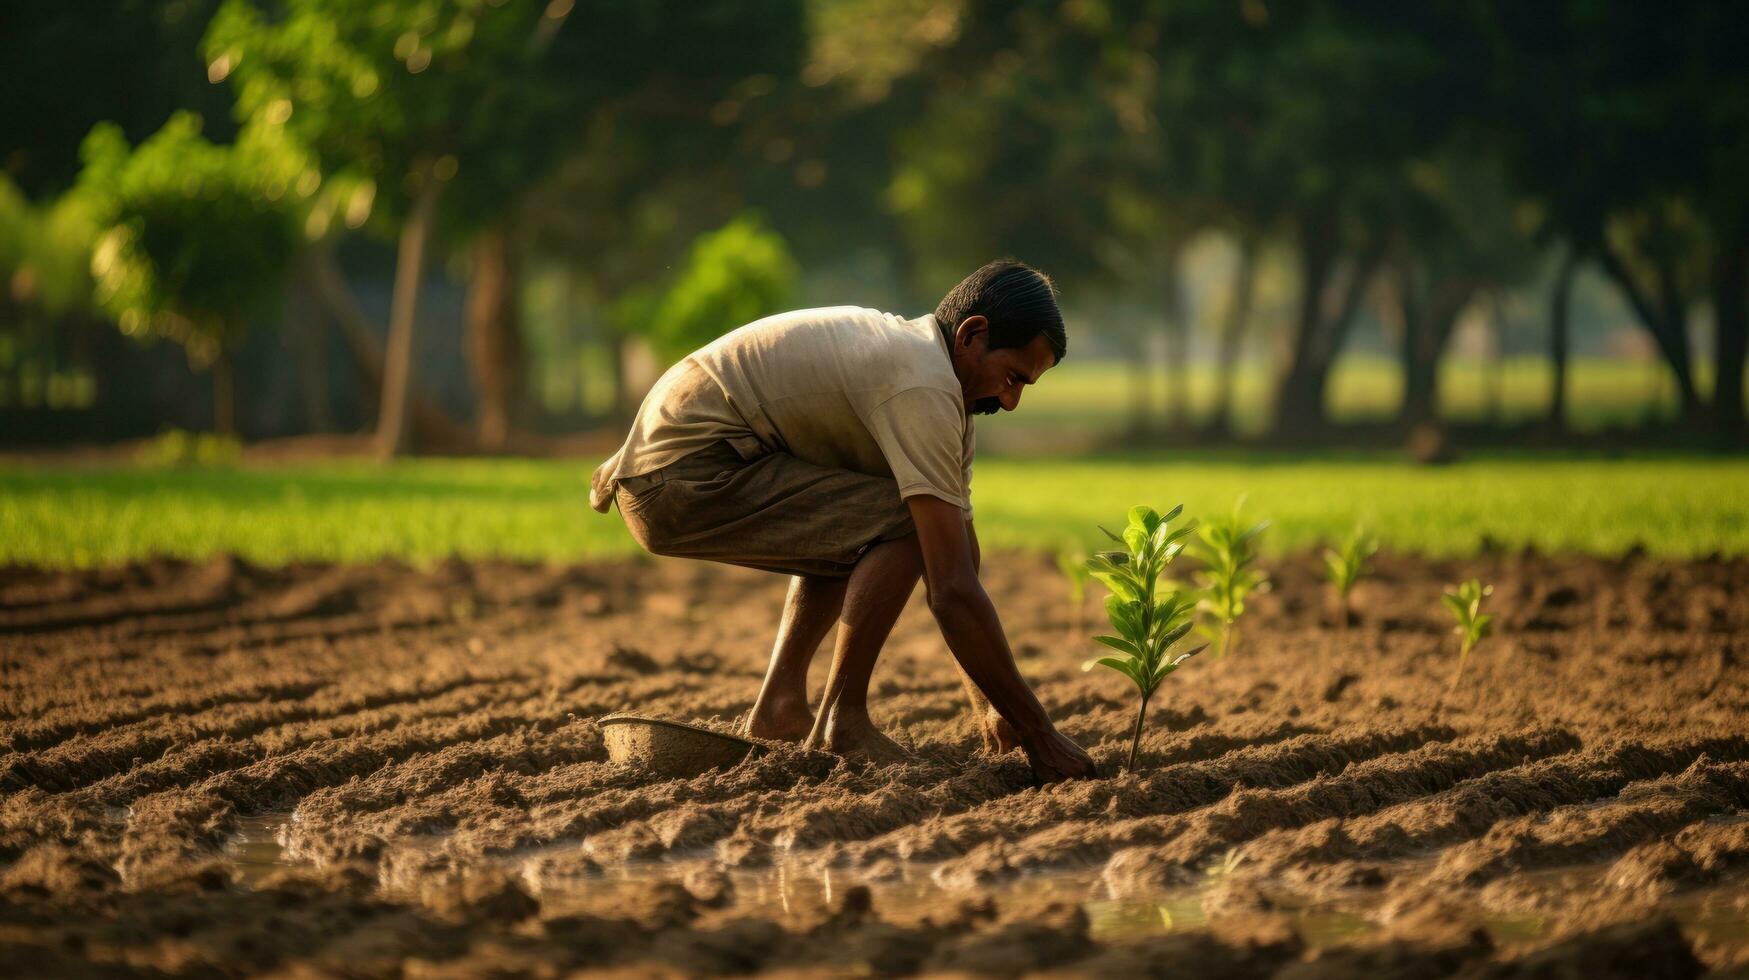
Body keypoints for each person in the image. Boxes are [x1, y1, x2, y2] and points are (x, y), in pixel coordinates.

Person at [589, 259, 1097, 782]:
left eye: (1024, 388)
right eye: (1012, 377)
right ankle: (843, 719)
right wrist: (1038, 732)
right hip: (679, 476)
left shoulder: (941, 395)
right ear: (972, 335)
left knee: (866, 524)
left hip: (691, 468)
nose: (1010, 401)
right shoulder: (918, 385)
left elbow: (959, 559)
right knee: (901, 519)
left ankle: (779, 708)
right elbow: (951, 587)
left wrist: (993, 707)